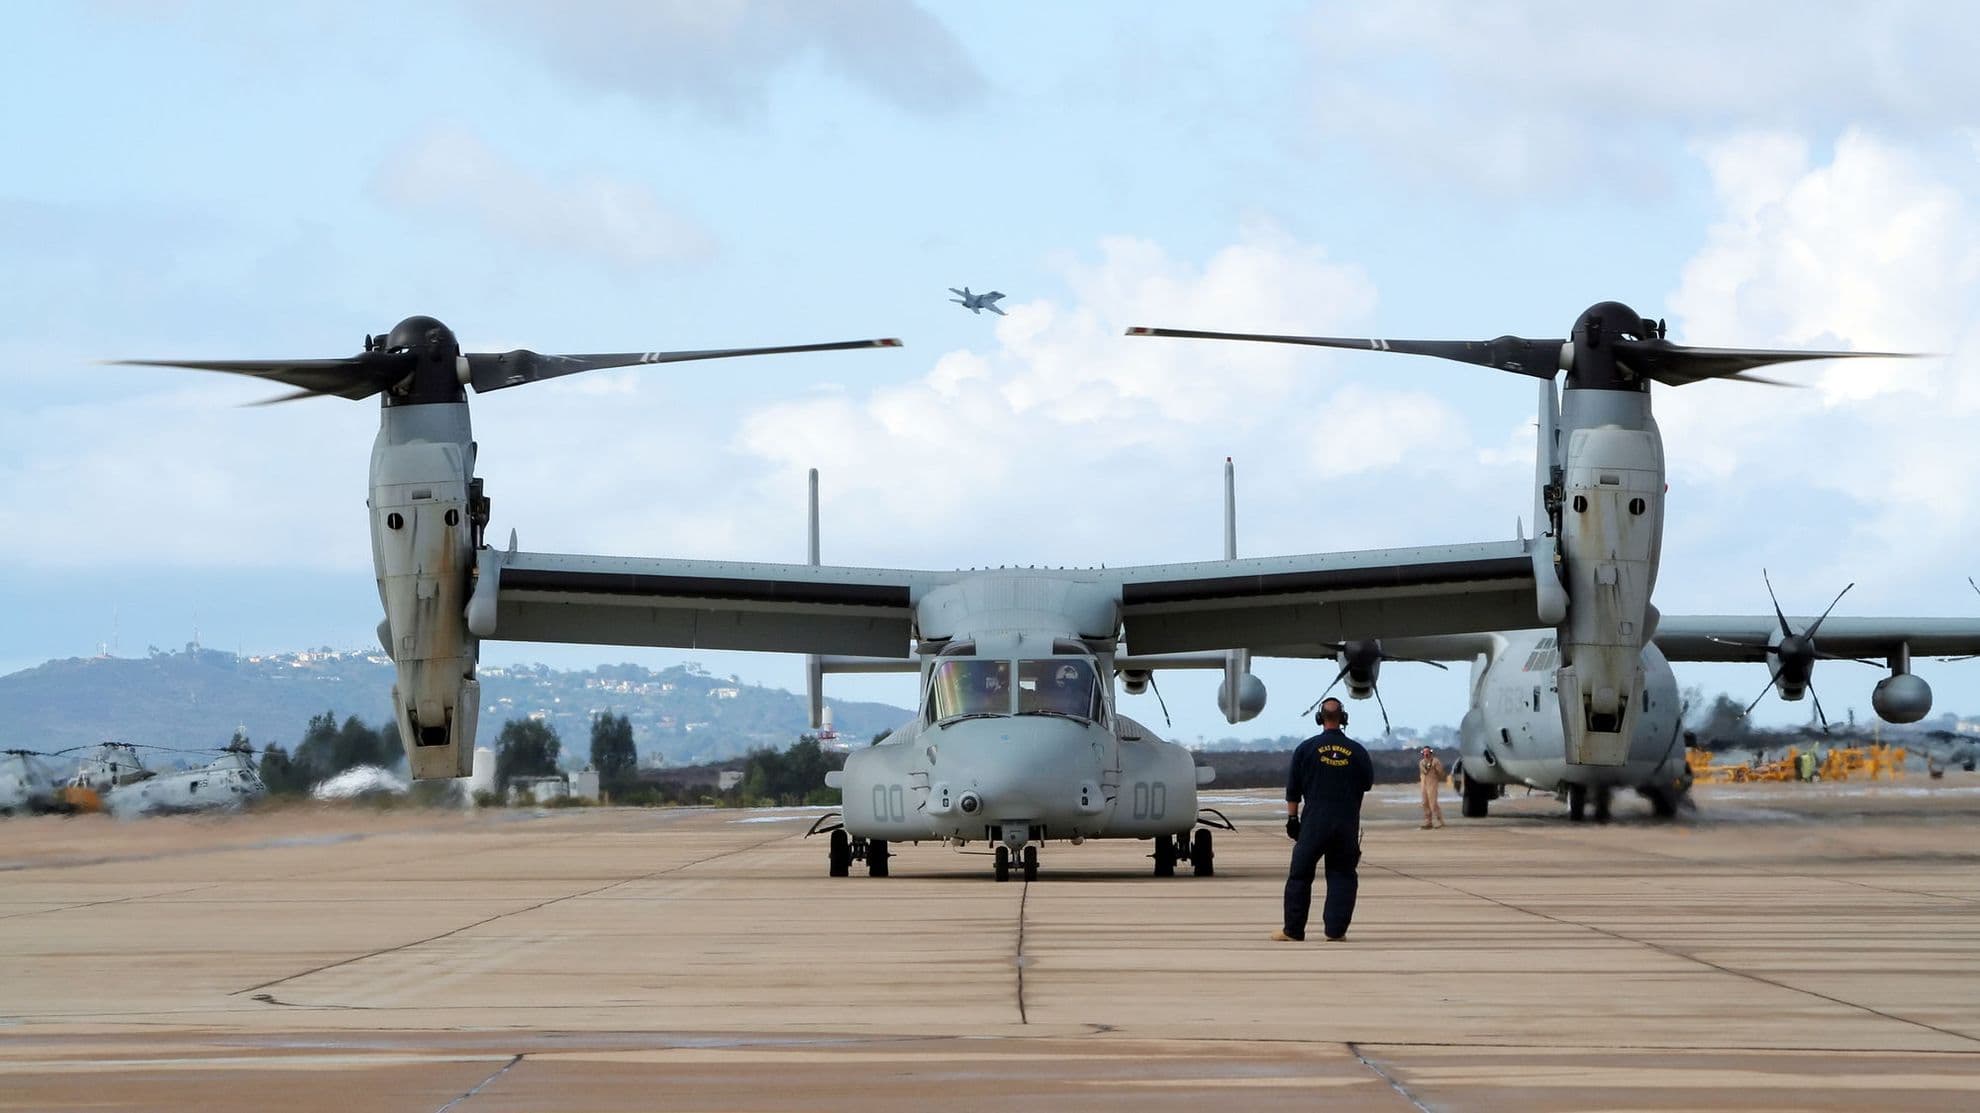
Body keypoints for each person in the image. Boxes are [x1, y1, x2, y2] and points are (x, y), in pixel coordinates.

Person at [1274, 697, 1374, 943]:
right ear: (1343, 718)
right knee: (1343, 875)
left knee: (1300, 875)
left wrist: (1292, 818)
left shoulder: (1306, 749)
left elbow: (1293, 789)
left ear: (1320, 718)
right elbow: (1366, 784)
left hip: (1314, 822)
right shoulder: (1358, 751)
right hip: (1346, 823)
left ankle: (1293, 930)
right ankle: (1335, 931)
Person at [1417, 746, 1446, 829]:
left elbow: (1440, 772)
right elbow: (1424, 771)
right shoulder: (1421, 762)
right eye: (1424, 752)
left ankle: (1440, 821)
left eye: (1427, 751)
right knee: (1425, 803)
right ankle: (1428, 821)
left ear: (1430, 752)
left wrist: (1439, 775)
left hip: (1432, 784)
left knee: (1433, 803)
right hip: (1424, 784)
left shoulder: (1435, 761)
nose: (1426, 753)